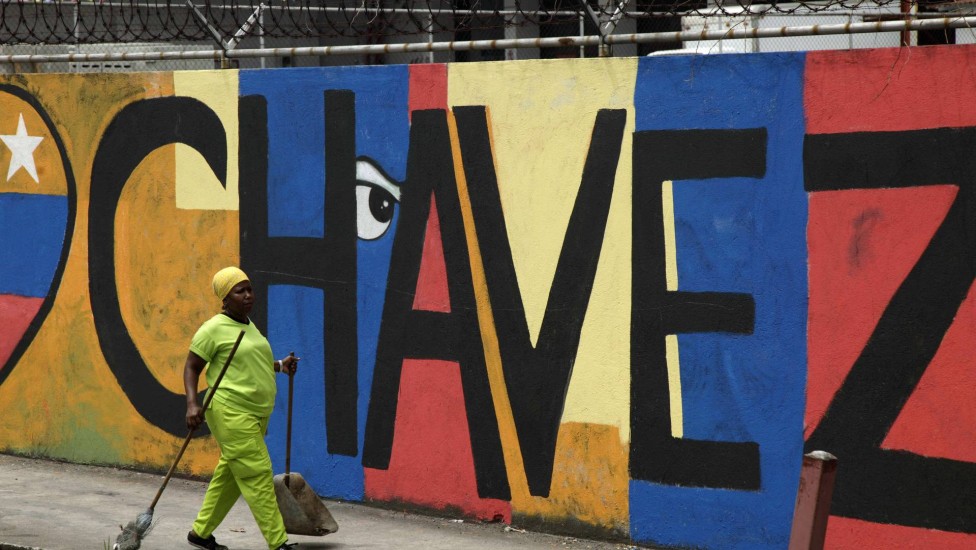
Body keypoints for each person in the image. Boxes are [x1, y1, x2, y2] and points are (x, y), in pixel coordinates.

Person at [183, 266, 300, 550]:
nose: (248, 295)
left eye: (249, 289)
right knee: (258, 472)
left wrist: (279, 366)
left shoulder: (247, 325)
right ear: (225, 298)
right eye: (240, 290)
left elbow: (247, 363)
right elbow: (192, 366)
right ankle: (278, 542)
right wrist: (191, 404)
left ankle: (200, 533)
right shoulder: (213, 329)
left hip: (256, 413)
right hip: (231, 411)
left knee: (232, 477)